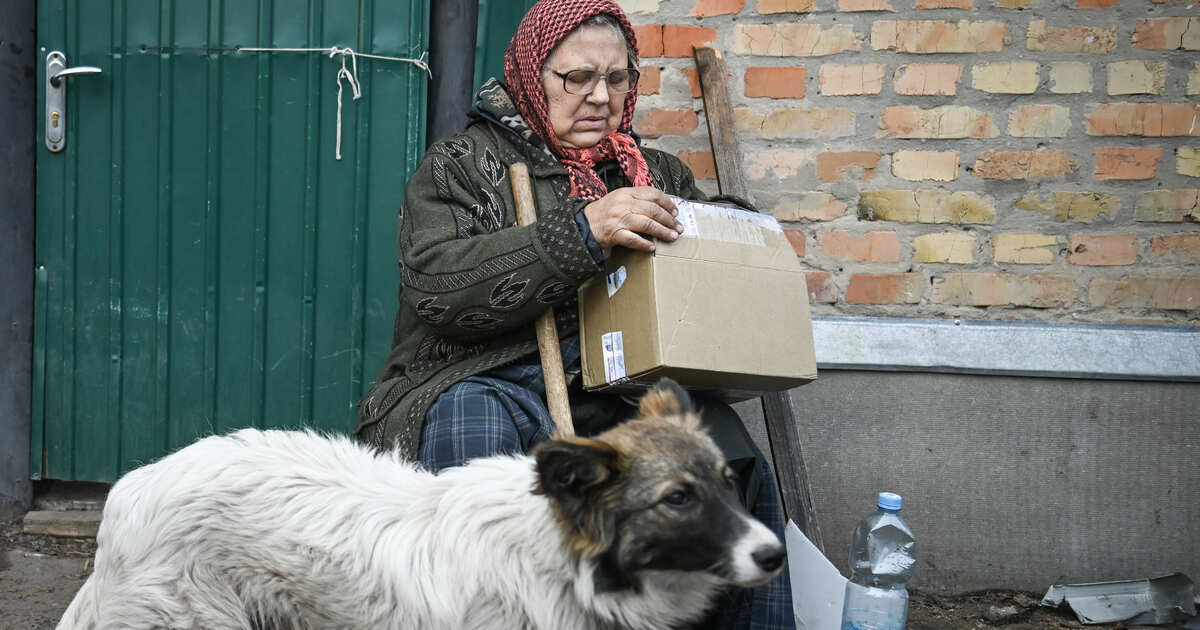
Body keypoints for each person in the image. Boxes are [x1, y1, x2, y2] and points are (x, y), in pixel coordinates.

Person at [355, 1, 794, 628]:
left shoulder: (652, 171)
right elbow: (436, 285)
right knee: (469, 432)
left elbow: (705, 265)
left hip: (620, 387)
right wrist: (581, 234)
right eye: (577, 78)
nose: (599, 96)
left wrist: (721, 225)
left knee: (723, 448)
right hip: (484, 376)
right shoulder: (464, 166)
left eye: (616, 79)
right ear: (535, 76)